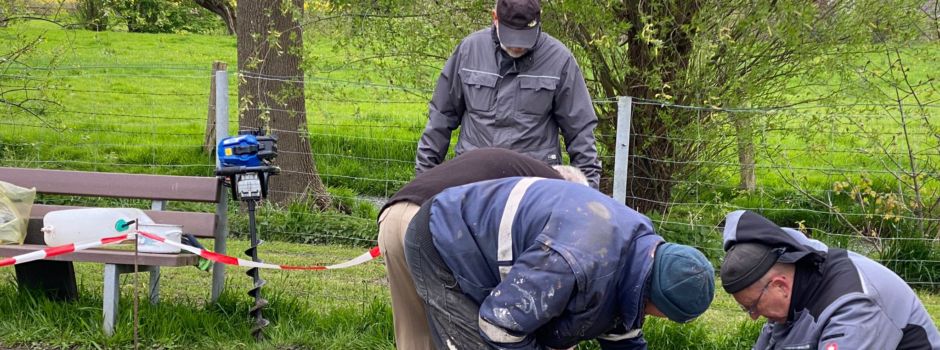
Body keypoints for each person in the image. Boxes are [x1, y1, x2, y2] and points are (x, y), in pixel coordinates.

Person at [404, 177, 715, 349]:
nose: (658, 319)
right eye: (666, 315)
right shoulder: (573, 260)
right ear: (656, 301)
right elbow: (500, 326)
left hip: (495, 259)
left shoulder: (636, 258)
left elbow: (622, 334)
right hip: (445, 239)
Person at [378, 148, 587, 350]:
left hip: (393, 216)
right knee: (469, 333)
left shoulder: (520, 171)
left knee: (415, 335)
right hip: (433, 228)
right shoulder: (559, 193)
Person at [415, 0, 602, 189]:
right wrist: (423, 184)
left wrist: (589, 200)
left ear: (538, 20)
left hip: (534, 187)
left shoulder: (560, 60)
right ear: (495, 18)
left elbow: (580, 132)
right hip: (474, 181)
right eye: (512, 35)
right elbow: (441, 118)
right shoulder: (469, 51)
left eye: (525, 37)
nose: (518, 46)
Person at [718, 210, 940, 350]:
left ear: (780, 285)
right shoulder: (797, 280)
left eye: (753, 307)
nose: (754, 317)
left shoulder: (854, 306)